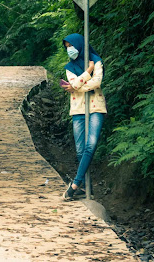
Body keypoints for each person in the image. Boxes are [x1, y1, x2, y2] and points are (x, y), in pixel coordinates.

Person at [60, 33, 107, 200]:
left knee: (90, 145)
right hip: (78, 109)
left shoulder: (96, 60)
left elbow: (97, 82)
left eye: (71, 46)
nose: (69, 50)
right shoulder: (69, 67)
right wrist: (88, 71)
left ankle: (75, 184)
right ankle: (87, 187)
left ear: (79, 44)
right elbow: (75, 83)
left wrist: (76, 86)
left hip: (96, 107)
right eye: (66, 47)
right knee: (80, 151)